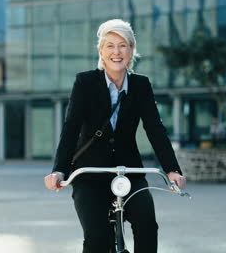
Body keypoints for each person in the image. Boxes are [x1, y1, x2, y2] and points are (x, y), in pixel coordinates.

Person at [44, 19, 186, 253]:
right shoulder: (85, 82)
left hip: (128, 170)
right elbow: (71, 128)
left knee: (147, 226)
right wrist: (59, 170)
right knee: (97, 238)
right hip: (89, 173)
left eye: (122, 45)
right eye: (110, 45)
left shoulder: (141, 85)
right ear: (101, 51)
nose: (116, 52)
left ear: (131, 50)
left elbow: (155, 129)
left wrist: (172, 170)